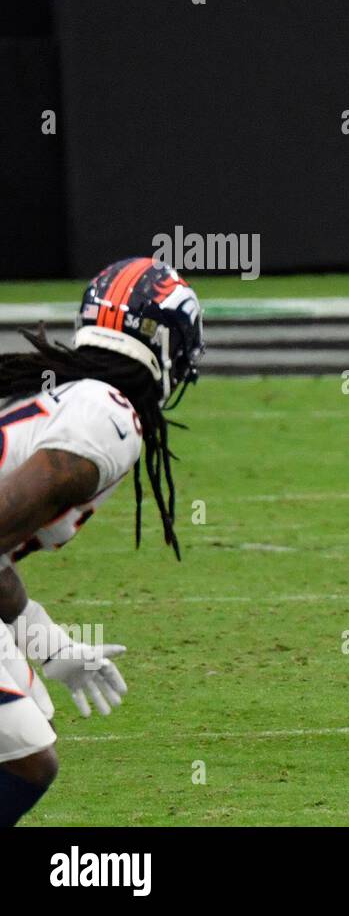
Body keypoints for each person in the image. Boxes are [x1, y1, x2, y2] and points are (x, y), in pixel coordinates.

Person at [0, 258, 204, 824]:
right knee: (28, 759)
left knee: (30, 731)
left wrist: (41, 639)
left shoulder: (80, 400)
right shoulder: (107, 417)